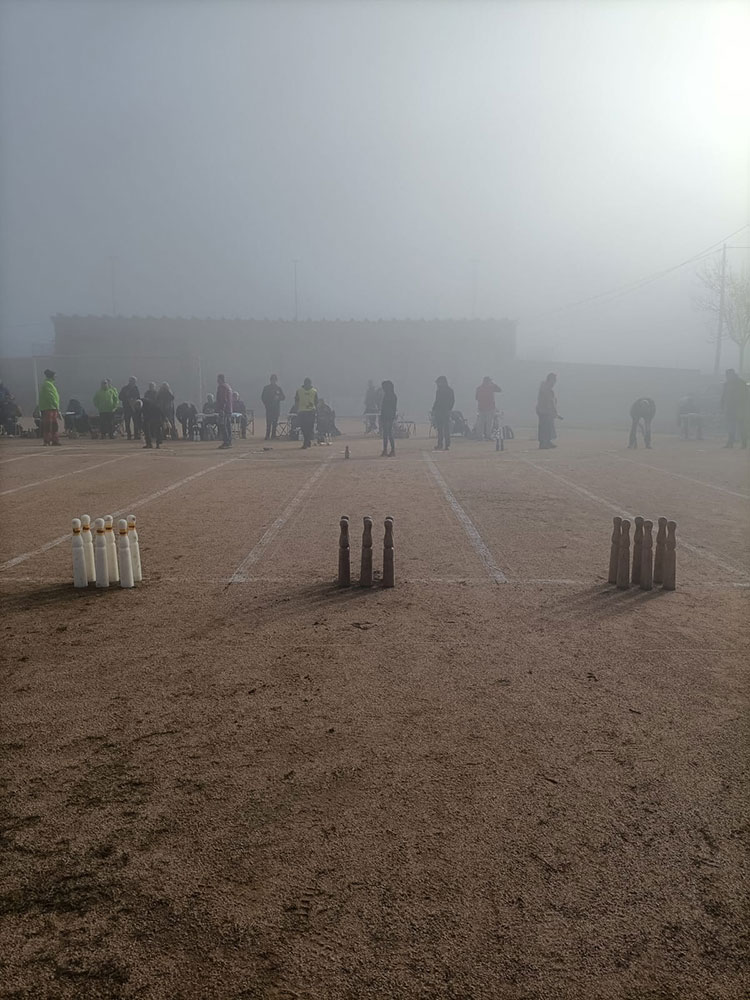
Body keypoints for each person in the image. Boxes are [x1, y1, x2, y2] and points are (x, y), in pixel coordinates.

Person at [721, 368, 748, 448]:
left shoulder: (741, 383)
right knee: (730, 426)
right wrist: (722, 404)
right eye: (727, 375)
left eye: (728, 375)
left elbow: (746, 396)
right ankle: (730, 442)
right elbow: (724, 395)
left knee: (741, 426)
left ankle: (744, 443)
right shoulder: (727, 384)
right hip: (730, 408)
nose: (727, 377)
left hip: (740, 408)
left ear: (733, 374)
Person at [536, 373, 562, 449]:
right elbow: (550, 401)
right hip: (544, 411)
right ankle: (543, 443)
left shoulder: (548, 388)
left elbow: (552, 401)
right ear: (550, 380)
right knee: (544, 427)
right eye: (554, 380)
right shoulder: (546, 388)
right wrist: (554, 412)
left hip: (546, 411)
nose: (555, 382)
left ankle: (547, 441)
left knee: (549, 427)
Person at [38, 369, 61, 445]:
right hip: (48, 407)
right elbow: (51, 397)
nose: (56, 377)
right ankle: (47, 441)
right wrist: (56, 406)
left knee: (54, 425)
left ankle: (55, 440)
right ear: (52, 376)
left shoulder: (50, 384)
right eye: (55, 375)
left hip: (52, 407)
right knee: (48, 425)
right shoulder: (47, 384)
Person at [431, 376, 455, 451]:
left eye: (439, 382)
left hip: (445, 411)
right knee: (440, 429)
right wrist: (434, 409)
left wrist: (449, 409)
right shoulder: (439, 391)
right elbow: (437, 401)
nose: (438, 384)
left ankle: (446, 444)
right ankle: (440, 444)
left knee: (445, 429)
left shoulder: (449, 390)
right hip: (439, 412)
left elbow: (452, 401)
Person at [475, 376, 502, 441]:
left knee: (480, 423)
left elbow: (476, 398)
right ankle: (488, 436)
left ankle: (480, 436)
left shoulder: (478, 388)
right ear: (488, 381)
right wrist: (493, 384)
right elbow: (499, 390)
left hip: (481, 408)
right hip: (490, 408)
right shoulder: (491, 388)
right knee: (489, 423)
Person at [294, 377, 318, 449]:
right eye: (306, 384)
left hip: (311, 411)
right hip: (302, 411)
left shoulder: (314, 391)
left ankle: (307, 441)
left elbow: (316, 401)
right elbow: (296, 400)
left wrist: (314, 407)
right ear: (304, 384)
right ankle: (306, 441)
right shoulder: (299, 391)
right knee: (303, 428)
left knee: (309, 428)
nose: (307, 385)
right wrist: (296, 409)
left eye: (308, 384)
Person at [261, 375, 285, 440]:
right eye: (272, 380)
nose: (273, 381)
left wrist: (278, 398)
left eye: (274, 380)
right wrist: (266, 404)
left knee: (275, 422)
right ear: (270, 380)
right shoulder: (266, 388)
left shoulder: (278, 388)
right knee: (268, 422)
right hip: (269, 408)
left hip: (276, 408)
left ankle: (273, 435)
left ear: (276, 381)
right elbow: (263, 397)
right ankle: (267, 435)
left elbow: (283, 397)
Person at [380, 380, 397, 457]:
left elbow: (393, 408)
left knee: (389, 433)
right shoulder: (387, 395)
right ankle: (385, 450)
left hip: (389, 417)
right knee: (385, 434)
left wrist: (391, 417)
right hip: (385, 416)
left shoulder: (392, 396)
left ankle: (392, 450)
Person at [216, 374, 233, 449]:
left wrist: (221, 409)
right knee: (228, 425)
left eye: (218, 379)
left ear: (220, 379)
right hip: (229, 409)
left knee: (223, 425)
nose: (217, 380)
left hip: (224, 409)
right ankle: (229, 441)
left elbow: (223, 399)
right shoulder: (228, 386)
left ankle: (226, 442)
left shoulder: (222, 387)